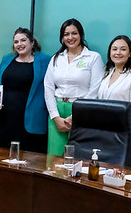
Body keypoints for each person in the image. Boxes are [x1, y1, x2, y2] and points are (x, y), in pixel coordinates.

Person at [43, 18, 103, 156]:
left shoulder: (93, 58)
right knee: (54, 158)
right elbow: (48, 87)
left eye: (74, 33)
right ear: (62, 37)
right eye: (66, 34)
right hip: (56, 111)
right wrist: (55, 116)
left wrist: (75, 115)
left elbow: (95, 90)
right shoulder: (57, 58)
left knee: (78, 157)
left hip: (81, 110)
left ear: (81, 35)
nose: (70, 37)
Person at [0, 28, 51, 153]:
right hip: (5, 117)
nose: (19, 44)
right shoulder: (7, 59)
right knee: (2, 157)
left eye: (23, 40)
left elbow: (51, 86)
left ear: (32, 42)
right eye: (16, 42)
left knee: (29, 161)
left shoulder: (45, 61)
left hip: (31, 119)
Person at [97, 35, 131, 167]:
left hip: (126, 136)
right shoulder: (106, 74)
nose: (118, 53)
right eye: (114, 49)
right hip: (105, 135)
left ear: (130, 53)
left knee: (121, 181)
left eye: (123, 49)